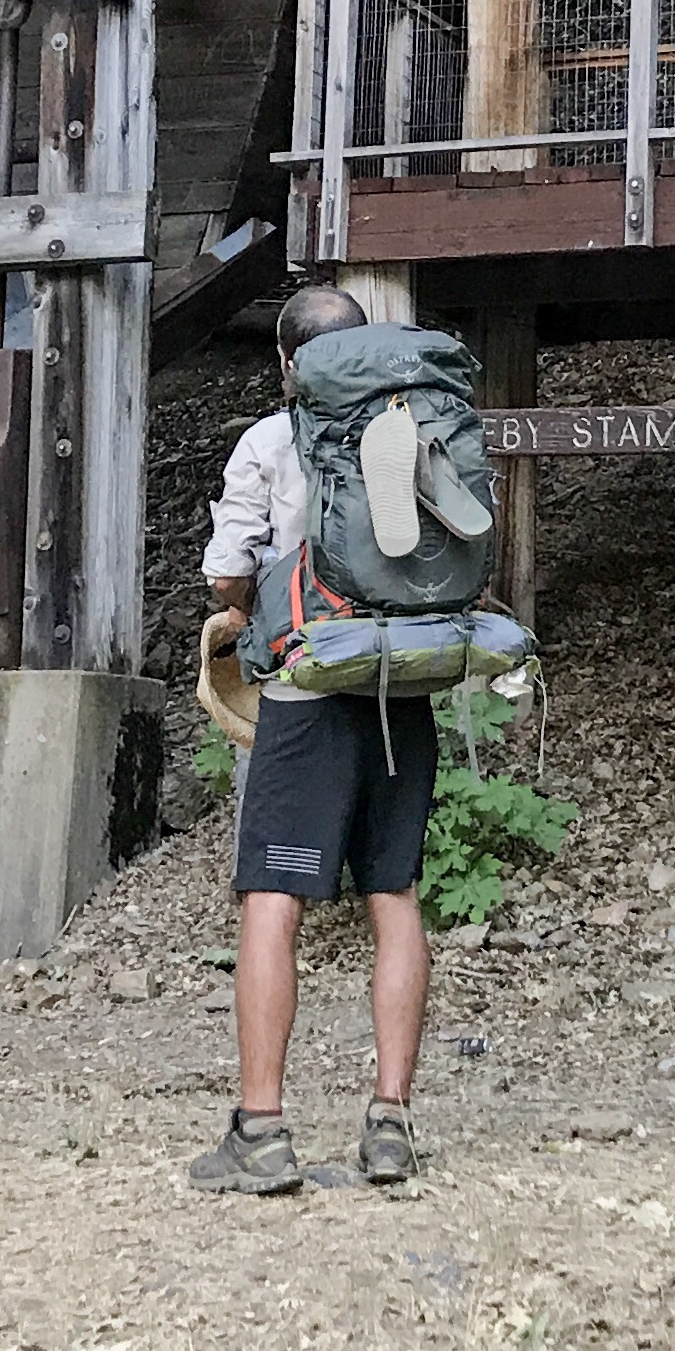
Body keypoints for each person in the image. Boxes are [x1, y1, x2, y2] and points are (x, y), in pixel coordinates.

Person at [189, 284, 441, 1195]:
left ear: (287, 363)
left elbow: (228, 576)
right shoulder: (416, 431)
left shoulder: (269, 441)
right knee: (393, 894)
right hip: (402, 685)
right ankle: (390, 1126)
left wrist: (251, 602)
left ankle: (261, 1131)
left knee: (273, 898)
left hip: (305, 693)